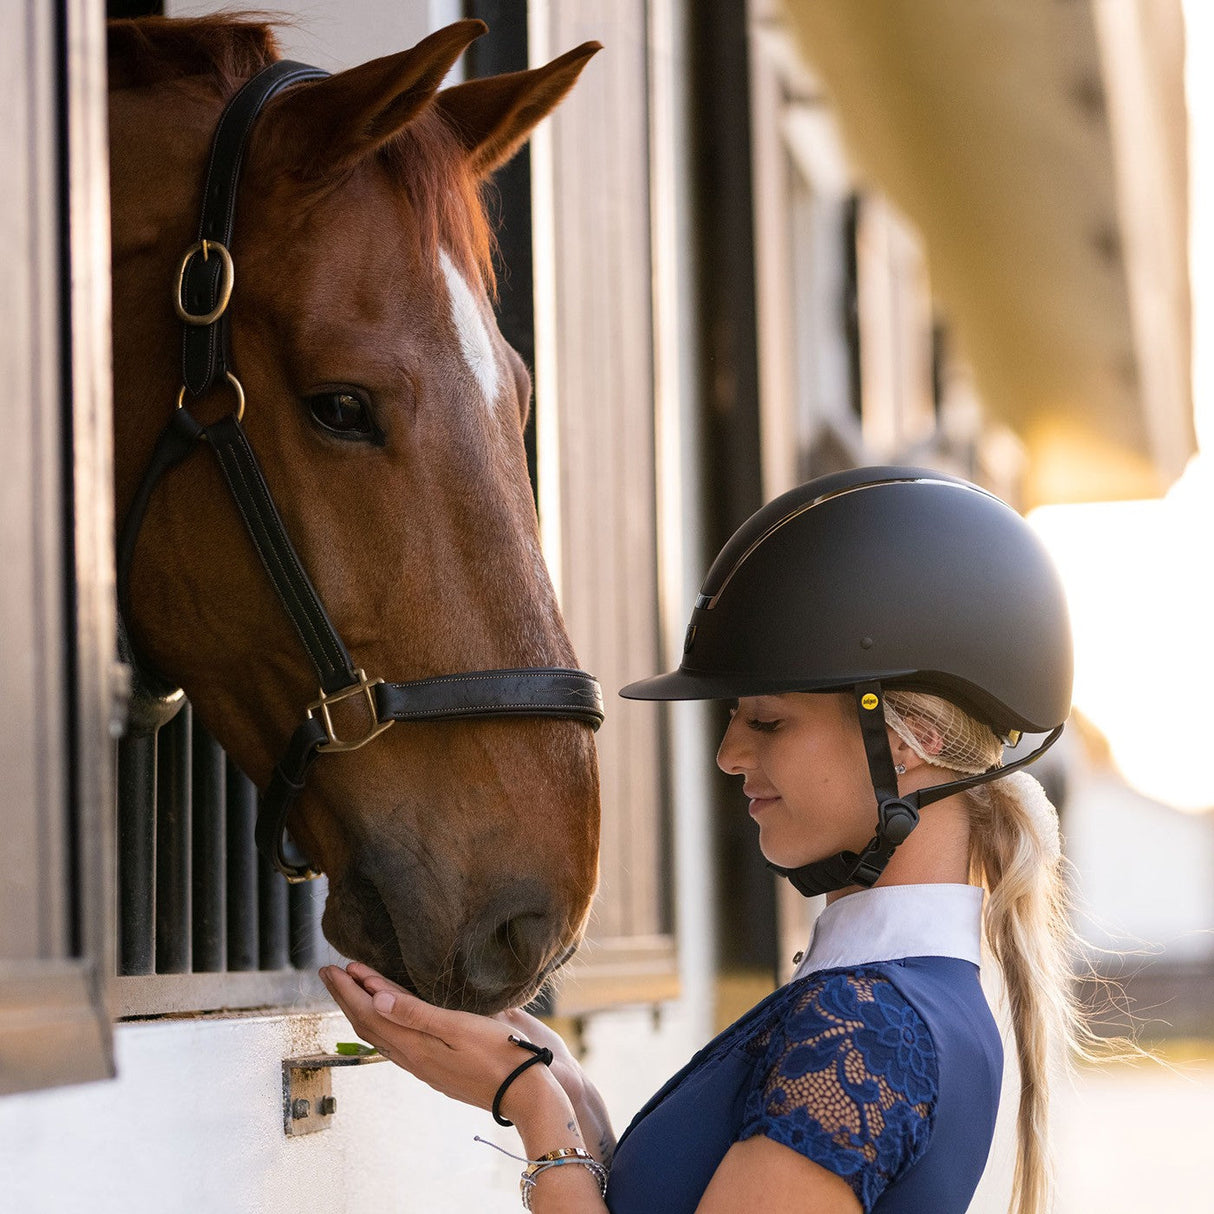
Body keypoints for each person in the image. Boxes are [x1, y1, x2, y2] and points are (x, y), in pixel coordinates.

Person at [321, 465, 1104, 1214]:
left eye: (766, 720)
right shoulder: (904, 1001)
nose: (730, 755)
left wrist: (531, 1111)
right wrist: (571, 1096)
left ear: (911, 739)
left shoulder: (867, 1025)